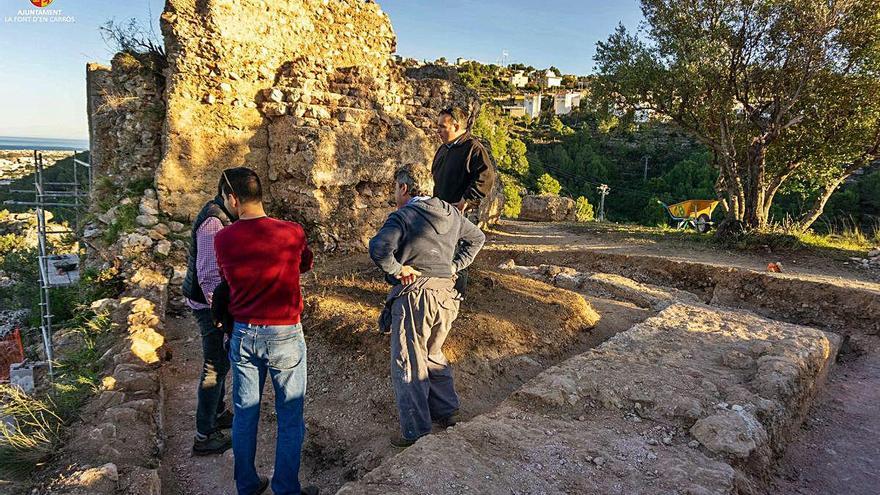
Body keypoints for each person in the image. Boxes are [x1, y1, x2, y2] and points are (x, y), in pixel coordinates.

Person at [213, 167, 319, 495]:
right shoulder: (292, 232)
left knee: (245, 415)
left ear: (233, 199)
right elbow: (304, 264)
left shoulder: (223, 239)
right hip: (285, 333)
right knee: (290, 416)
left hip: (244, 334)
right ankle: (286, 488)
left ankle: (247, 485)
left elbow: (227, 281)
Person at [368, 164, 486, 447]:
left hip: (415, 297)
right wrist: (453, 266)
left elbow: (378, 248)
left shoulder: (404, 216)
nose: (395, 194)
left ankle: (416, 430)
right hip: (446, 296)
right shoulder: (450, 212)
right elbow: (477, 238)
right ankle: (448, 411)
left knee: (409, 360)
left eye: (396, 188)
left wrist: (399, 270)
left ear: (405, 188)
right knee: (433, 353)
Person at [182, 175, 235, 456]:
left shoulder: (219, 213)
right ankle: (204, 435)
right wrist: (220, 313)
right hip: (207, 305)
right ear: (228, 196)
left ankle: (218, 412)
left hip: (206, 302)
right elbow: (208, 275)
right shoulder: (213, 222)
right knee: (214, 366)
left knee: (221, 361)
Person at [431, 106, 497, 296]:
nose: (438, 131)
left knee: (457, 256)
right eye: (438, 126)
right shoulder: (444, 148)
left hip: (460, 213)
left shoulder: (473, 149)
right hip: (441, 211)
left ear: (457, 126)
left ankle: (455, 296)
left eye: (443, 127)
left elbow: (486, 177)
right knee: (441, 253)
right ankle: (440, 292)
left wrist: (466, 200)